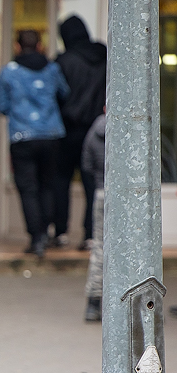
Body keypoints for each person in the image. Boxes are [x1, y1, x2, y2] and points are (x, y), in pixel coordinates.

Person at [0, 30, 70, 258]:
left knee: (28, 188)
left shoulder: (9, 72)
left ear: (17, 46)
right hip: (52, 134)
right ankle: (46, 232)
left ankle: (36, 238)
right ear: (40, 45)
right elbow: (64, 93)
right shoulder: (52, 69)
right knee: (47, 184)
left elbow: (0, 104)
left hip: (22, 136)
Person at [53, 15, 107, 250]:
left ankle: (61, 232)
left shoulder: (64, 61)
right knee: (93, 183)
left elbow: (56, 95)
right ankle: (91, 233)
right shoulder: (106, 56)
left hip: (68, 130)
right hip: (98, 131)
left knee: (61, 181)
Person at [82, 111, 106, 322]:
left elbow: (87, 164)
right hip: (128, 197)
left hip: (101, 193)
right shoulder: (135, 129)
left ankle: (93, 303)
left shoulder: (94, 131)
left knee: (99, 247)